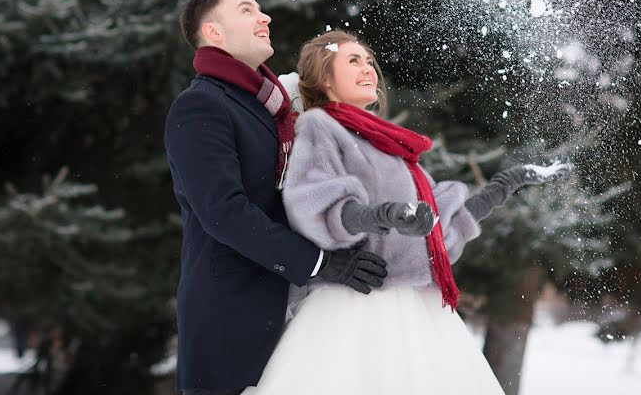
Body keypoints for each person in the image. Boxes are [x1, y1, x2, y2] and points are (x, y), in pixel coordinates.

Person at [244, 31, 572, 395]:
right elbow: (318, 204)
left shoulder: (386, 144)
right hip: (355, 307)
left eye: (369, 61)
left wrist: (503, 186)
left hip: (415, 306)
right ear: (324, 78)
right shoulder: (320, 127)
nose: (368, 69)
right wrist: (382, 215)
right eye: (353, 61)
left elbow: (436, 222)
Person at [165, 0, 389, 395]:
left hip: (295, 310)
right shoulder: (201, 106)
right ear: (213, 32)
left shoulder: (269, 107)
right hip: (231, 314)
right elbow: (224, 212)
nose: (265, 17)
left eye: (262, 9)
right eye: (247, 10)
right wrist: (322, 262)